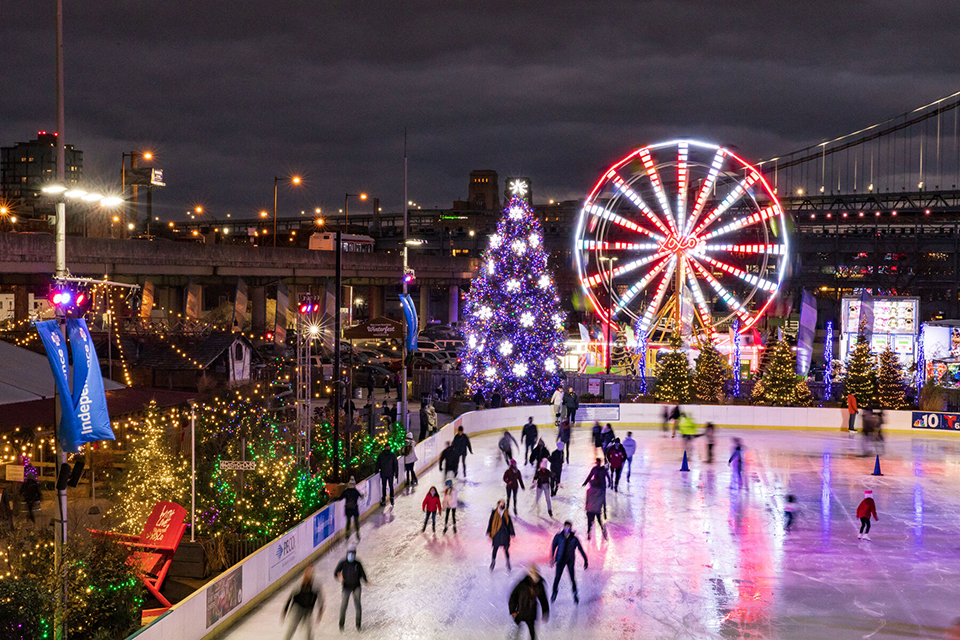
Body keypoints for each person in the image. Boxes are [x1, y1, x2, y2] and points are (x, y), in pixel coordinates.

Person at [282, 565, 324, 640]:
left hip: (308, 610)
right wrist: (285, 611)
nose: (309, 575)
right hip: (298, 609)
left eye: (311, 573)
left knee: (309, 632)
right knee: (291, 629)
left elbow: (320, 600)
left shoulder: (316, 587)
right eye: (308, 573)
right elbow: (290, 598)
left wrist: (320, 613)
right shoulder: (299, 585)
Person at [550, 521, 588, 604]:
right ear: (564, 527)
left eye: (568, 527)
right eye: (565, 527)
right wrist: (552, 557)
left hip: (570, 560)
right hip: (560, 560)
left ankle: (575, 594)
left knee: (572, 578)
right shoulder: (558, 536)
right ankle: (554, 592)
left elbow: (580, 549)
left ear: (570, 528)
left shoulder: (574, 539)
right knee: (557, 578)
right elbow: (553, 546)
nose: (567, 529)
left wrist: (585, 560)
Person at [508, 564, 549, 640]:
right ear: (530, 573)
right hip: (520, 611)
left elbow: (543, 599)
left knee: (532, 632)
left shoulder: (539, 585)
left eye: (535, 573)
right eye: (532, 573)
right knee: (516, 628)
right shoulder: (522, 584)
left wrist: (545, 611)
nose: (534, 575)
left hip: (531, 613)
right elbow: (513, 596)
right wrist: (512, 610)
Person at [334, 547, 368, 632]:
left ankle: (358, 626)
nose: (351, 556)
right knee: (343, 606)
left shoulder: (358, 563)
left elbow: (362, 574)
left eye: (353, 554)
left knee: (358, 606)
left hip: (356, 587)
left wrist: (366, 580)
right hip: (346, 588)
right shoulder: (343, 563)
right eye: (350, 554)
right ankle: (341, 625)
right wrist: (340, 577)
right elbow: (336, 572)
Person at [487, 499, 516, 570]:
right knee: (495, 549)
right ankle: (493, 562)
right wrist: (489, 531)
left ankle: (508, 562)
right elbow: (490, 522)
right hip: (496, 533)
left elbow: (509, 524)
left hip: (504, 534)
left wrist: (512, 532)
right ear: (498, 505)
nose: (503, 505)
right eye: (501, 504)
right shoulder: (494, 513)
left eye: (504, 504)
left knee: (506, 549)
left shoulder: (506, 513)